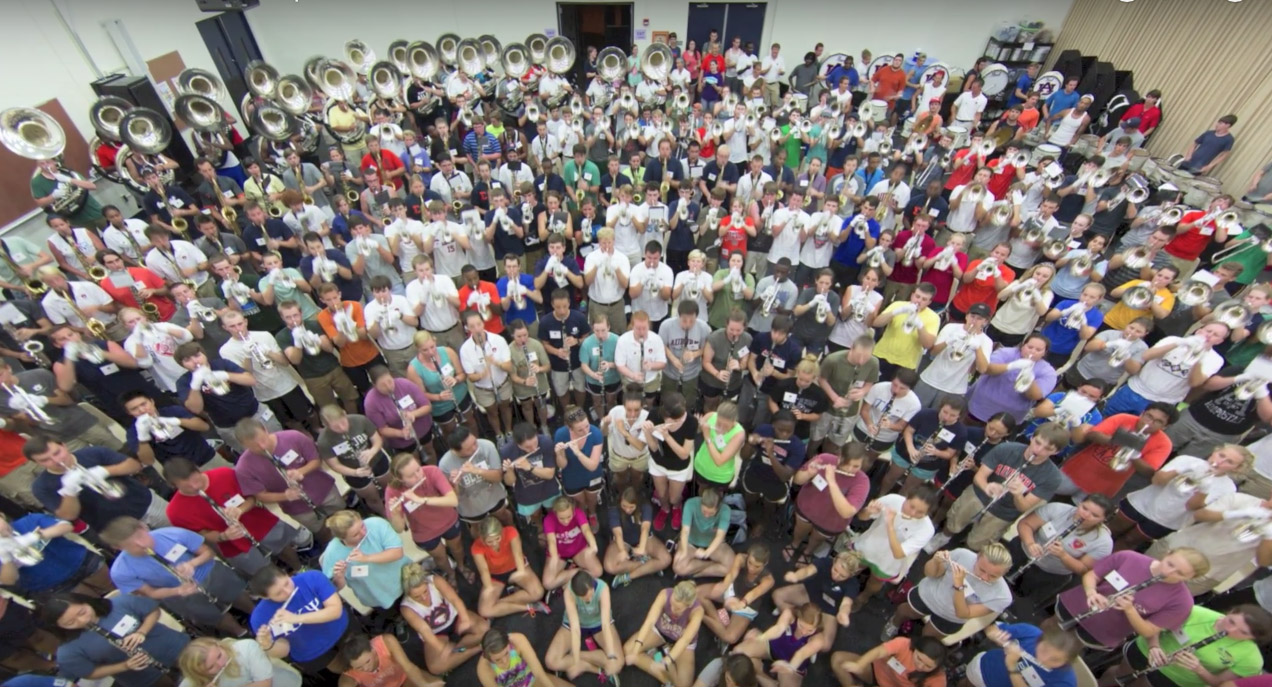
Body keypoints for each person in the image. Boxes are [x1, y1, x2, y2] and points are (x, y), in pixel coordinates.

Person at [98, 517, 251, 636]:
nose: (141, 544)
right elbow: (150, 593)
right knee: (214, 617)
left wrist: (192, 564)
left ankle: (254, 612)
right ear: (118, 547)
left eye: (140, 536)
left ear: (143, 527)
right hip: (179, 595)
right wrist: (177, 591)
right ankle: (241, 632)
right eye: (131, 544)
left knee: (238, 595)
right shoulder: (120, 571)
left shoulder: (172, 533)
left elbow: (208, 552)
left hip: (209, 573)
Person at [926, 423, 1067, 552]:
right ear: (1032, 437)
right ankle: (944, 537)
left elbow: (1023, 507)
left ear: (1056, 452)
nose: (1038, 450)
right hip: (980, 495)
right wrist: (987, 487)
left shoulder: (1052, 477)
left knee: (979, 543)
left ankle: (966, 553)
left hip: (1004, 512)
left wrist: (1018, 494)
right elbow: (979, 477)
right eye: (1037, 442)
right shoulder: (1007, 449)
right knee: (955, 519)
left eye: (1047, 449)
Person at [163, 458, 307, 575]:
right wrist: (223, 536)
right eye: (187, 487)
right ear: (173, 485)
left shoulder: (224, 474)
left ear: (197, 469)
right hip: (234, 546)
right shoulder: (175, 511)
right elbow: (201, 534)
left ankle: (300, 568)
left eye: (196, 480)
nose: (195, 487)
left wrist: (240, 510)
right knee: (263, 571)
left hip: (260, 523)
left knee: (284, 548)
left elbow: (252, 497)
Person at [1049, 548, 1207, 650]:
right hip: (1077, 605)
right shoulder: (1129, 557)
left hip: (1103, 632)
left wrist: (1130, 610)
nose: (1168, 572)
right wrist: (1091, 593)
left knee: (1064, 650)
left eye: (1180, 573)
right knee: (1048, 627)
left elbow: (1148, 631)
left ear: (1191, 578)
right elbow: (1092, 575)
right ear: (1167, 554)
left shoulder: (1182, 602)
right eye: (1170, 564)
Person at [1110, 444, 1253, 551]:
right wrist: (1180, 470)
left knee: (1130, 541)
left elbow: (1192, 507)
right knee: (1113, 529)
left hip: (1168, 520)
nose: (1221, 462)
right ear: (1215, 452)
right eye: (1221, 455)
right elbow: (1157, 481)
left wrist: (1204, 488)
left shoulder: (1228, 488)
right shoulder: (1187, 460)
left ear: (1236, 468)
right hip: (1142, 503)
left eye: (1230, 462)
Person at [41, 592, 189, 687]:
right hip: (148, 679)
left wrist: (141, 632)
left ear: (86, 602)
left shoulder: (120, 603)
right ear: (58, 627)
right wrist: (125, 666)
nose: (83, 621)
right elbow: (90, 673)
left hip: (178, 648)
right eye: (70, 623)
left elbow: (153, 611)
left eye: (82, 612)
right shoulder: (68, 650)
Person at [26, 436, 170, 532]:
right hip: (117, 529)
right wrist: (69, 491)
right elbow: (69, 515)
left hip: (148, 504)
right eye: (45, 460)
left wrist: (105, 471)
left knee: (182, 526)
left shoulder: (93, 453)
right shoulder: (41, 486)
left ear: (64, 446)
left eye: (57, 453)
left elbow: (134, 466)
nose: (57, 460)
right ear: (36, 463)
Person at [1104, 605, 1269, 687]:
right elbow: (1154, 626)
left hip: (1177, 681)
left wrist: (1199, 669)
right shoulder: (1195, 612)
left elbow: (1219, 683)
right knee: (1118, 674)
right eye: (1231, 621)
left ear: (1254, 638)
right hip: (1146, 652)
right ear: (1230, 612)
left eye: (1243, 632)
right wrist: (1155, 646)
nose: (1230, 630)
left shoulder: (1251, 659)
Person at [233, 417, 344, 539]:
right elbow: (260, 496)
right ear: (244, 446)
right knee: (322, 533)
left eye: (263, 440)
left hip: (325, 491)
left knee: (343, 519)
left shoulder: (293, 437)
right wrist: (286, 496)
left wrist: (301, 471)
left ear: (265, 429)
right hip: (298, 509)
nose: (262, 446)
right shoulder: (244, 468)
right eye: (255, 446)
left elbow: (316, 460)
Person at [883, 544, 1013, 640]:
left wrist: (959, 586)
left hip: (952, 617)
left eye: (993, 576)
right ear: (977, 557)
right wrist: (935, 561)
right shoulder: (962, 555)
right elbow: (930, 574)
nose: (984, 577)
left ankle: (916, 648)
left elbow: (963, 613)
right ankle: (894, 624)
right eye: (981, 569)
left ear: (1004, 573)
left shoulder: (1002, 596)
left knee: (928, 637)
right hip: (930, 594)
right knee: (904, 612)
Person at [1057, 404, 1175, 500]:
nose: (1149, 422)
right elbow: (1092, 435)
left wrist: (1134, 455)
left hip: (1102, 488)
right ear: (1142, 413)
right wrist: (1116, 440)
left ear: (1165, 427)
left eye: (1158, 421)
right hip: (1074, 472)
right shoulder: (1123, 418)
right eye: (1149, 416)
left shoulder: (1164, 444)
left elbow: (1149, 471)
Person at [248, 565, 350, 674]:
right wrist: (269, 645)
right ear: (265, 597)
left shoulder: (311, 578)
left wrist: (296, 618)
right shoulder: (260, 617)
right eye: (278, 593)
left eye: (287, 583)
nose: (288, 591)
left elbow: (335, 611)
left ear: (286, 574)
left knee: (359, 655)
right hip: (312, 653)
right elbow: (285, 651)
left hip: (342, 629)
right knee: (344, 669)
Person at [1009, 496, 1116, 599]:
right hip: (1020, 551)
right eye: (1084, 508)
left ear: (1104, 519)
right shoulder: (1057, 508)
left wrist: (1063, 556)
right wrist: (1030, 544)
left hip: (1049, 574)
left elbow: (1084, 569)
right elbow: (1025, 524)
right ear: (1080, 503)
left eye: (1095, 515)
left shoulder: (1103, 542)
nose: (1086, 515)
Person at [852, 487, 939, 607]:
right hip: (869, 546)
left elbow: (898, 553)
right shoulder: (892, 499)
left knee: (875, 582)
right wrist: (868, 511)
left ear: (927, 513)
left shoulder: (927, 529)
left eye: (920, 512)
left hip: (889, 562)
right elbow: (861, 516)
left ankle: (863, 597)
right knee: (853, 567)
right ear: (906, 498)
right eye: (911, 506)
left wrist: (890, 525)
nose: (913, 513)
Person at [0, 510, 114, 598]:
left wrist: (35, 536)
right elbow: (9, 580)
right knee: (97, 606)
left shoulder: (29, 521)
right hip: (56, 586)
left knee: (115, 587)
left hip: (84, 562)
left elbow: (66, 526)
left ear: (2, 516)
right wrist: (6, 558)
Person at [320, 510, 407, 620]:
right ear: (342, 538)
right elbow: (335, 588)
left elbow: (397, 553)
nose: (363, 533)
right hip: (378, 594)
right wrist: (339, 577)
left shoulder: (376, 524)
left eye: (362, 526)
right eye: (355, 534)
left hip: (404, 577)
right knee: (395, 615)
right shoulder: (332, 554)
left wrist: (367, 558)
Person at [789, 443, 869, 562]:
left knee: (816, 539)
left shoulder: (862, 481)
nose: (850, 469)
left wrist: (832, 481)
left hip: (831, 522)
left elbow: (847, 512)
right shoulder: (825, 459)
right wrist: (808, 473)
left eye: (856, 466)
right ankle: (794, 544)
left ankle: (808, 552)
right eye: (846, 463)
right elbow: (797, 480)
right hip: (806, 508)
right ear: (840, 457)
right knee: (799, 530)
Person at [543, 570, 623, 683]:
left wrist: (610, 656)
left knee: (617, 663)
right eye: (584, 598)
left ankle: (579, 659)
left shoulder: (603, 588)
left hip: (598, 623)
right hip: (575, 624)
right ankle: (589, 667)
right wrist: (575, 659)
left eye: (590, 595)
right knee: (551, 662)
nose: (589, 600)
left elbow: (605, 625)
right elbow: (575, 628)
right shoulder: (569, 592)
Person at [623, 580, 705, 687]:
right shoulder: (664, 594)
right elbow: (649, 622)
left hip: (682, 642)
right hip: (661, 631)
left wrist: (667, 661)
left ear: (689, 605)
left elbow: (684, 640)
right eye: (671, 604)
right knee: (628, 650)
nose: (673, 610)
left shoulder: (697, 612)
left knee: (683, 685)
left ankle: (657, 656)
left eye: (678, 608)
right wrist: (635, 650)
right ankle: (666, 679)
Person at [879, 398, 968, 495]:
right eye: (945, 412)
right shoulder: (926, 414)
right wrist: (911, 449)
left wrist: (935, 452)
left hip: (928, 464)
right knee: (890, 478)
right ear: (940, 407)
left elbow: (949, 454)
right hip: (905, 452)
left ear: (959, 416)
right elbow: (908, 431)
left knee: (909, 489)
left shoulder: (960, 432)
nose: (946, 417)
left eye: (952, 415)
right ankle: (880, 496)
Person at [695, 543, 775, 646]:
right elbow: (732, 574)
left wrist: (741, 603)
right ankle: (718, 622)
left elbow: (755, 593)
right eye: (750, 563)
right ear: (748, 556)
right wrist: (723, 586)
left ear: (765, 564)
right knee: (697, 593)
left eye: (757, 566)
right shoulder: (741, 558)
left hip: (748, 605)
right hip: (732, 591)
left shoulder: (768, 580)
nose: (751, 568)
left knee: (730, 638)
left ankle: (701, 616)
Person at [733, 601, 827, 687]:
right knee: (738, 652)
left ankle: (765, 678)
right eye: (801, 626)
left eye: (810, 630)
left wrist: (789, 667)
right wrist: (760, 638)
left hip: (792, 664)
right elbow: (778, 629)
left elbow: (801, 654)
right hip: (774, 647)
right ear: (798, 616)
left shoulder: (819, 640)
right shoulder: (789, 614)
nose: (804, 632)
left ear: (817, 627)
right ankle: (762, 676)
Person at [470, 516, 548, 618]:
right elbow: (484, 571)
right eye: (490, 542)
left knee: (538, 593)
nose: (495, 543)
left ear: (501, 532)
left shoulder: (511, 532)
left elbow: (518, 555)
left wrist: (520, 572)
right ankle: (527, 607)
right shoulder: (476, 547)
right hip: (495, 575)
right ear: (482, 539)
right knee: (485, 611)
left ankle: (500, 604)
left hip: (515, 568)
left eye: (497, 538)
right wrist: (488, 587)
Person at [438, 425, 511, 534]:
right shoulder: (445, 464)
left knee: (504, 516)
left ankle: (512, 535)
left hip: (494, 497)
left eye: (475, 442)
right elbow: (453, 497)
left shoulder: (487, 446)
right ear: (455, 451)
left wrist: (477, 471)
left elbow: (498, 477)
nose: (475, 448)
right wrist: (455, 484)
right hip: (470, 508)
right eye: (468, 449)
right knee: (477, 529)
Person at [966, 624, 1080, 687]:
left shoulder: (1065, 683)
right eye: (1044, 650)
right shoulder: (1031, 633)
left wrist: (1012, 667)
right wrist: (995, 634)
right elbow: (991, 627)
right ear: (1041, 640)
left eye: (1055, 660)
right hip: (982, 669)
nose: (1043, 659)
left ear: (1067, 662)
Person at [604, 486, 671, 585]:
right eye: (624, 506)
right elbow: (618, 533)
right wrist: (622, 550)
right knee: (609, 567)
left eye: (631, 507)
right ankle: (648, 565)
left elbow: (645, 528)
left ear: (637, 504)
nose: (627, 510)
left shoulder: (645, 506)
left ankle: (629, 576)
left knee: (666, 559)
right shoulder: (614, 509)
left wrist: (642, 548)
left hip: (644, 539)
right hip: (623, 541)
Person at [177, 636, 304, 687]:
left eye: (219, 656)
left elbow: (265, 684)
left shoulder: (246, 647)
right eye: (211, 667)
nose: (221, 664)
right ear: (198, 673)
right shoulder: (189, 684)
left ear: (219, 645)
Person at [831, 635, 948, 687]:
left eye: (928, 666)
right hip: (876, 671)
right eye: (919, 658)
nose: (920, 666)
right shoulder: (904, 644)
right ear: (915, 648)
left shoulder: (938, 680)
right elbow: (879, 651)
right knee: (838, 659)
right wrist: (859, 664)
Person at [542, 495, 603, 593]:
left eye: (569, 516)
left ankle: (570, 574)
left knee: (598, 572)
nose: (566, 521)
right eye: (561, 518)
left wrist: (593, 546)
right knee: (548, 583)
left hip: (578, 549)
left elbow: (586, 530)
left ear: (573, 511)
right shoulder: (549, 519)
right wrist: (554, 557)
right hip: (559, 553)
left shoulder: (578, 513)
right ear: (555, 513)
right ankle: (578, 572)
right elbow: (551, 541)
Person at [336, 632, 443, 687]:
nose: (366, 668)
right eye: (359, 667)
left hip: (406, 678)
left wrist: (424, 685)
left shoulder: (386, 642)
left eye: (367, 661)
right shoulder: (348, 676)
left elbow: (408, 667)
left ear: (373, 650)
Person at [674, 487, 736, 578]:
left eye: (711, 513)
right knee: (678, 567)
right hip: (691, 542)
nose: (707, 516)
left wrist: (706, 553)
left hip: (713, 543)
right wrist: (684, 551)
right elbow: (685, 531)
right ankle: (711, 564)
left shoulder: (725, 510)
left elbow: (720, 536)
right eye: (704, 511)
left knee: (732, 566)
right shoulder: (690, 504)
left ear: (718, 507)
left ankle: (696, 573)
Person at [477, 628, 566, 687]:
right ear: (488, 658)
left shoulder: (518, 640)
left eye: (506, 653)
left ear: (509, 643)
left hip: (533, 681)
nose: (505, 661)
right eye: (498, 660)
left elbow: (539, 674)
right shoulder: (483, 669)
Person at [693, 400, 747, 490]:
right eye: (718, 423)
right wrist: (698, 424)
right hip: (701, 467)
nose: (721, 428)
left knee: (716, 496)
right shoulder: (711, 416)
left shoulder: (739, 434)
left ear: (734, 421)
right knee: (701, 490)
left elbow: (719, 461)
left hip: (720, 477)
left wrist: (707, 437)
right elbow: (698, 430)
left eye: (726, 426)